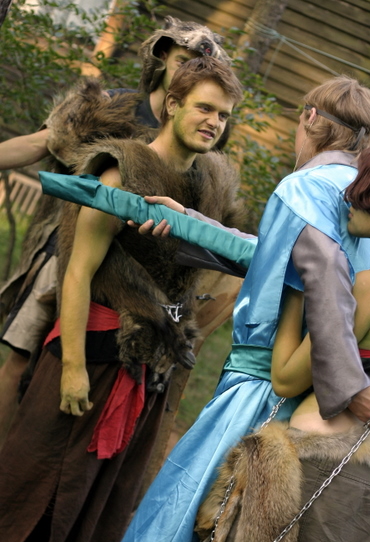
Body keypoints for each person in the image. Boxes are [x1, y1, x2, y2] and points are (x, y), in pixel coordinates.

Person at [73, 77, 370, 542]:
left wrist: (349, 383)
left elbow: (325, 281)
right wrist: (190, 223)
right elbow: (277, 258)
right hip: (309, 398)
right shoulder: (366, 196)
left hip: (263, 387)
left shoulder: (306, 187)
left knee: (189, 527)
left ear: (310, 117)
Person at [0, 56, 244, 542]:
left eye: (223, 114)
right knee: (42, 467)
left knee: (103, 487)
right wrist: (72, 366)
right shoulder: (120, 169)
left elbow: (227, 260)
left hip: (151, 359)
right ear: (173, 103)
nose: (213, 122)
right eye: (204, 107)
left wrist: (188, 226)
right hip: (94, 345)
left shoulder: (210, 180)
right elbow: (78, 271)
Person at [186, 146, 370, 542]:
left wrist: (300, 293)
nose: (349, 198)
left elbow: (286, 378)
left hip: (310, 465)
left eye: (363, 190)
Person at [0, 15, 231, 446]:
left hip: (133, 285)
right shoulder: (116, 106)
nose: (189, 71)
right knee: (22, 356)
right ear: (162, 58)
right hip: (69, 251)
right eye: (181, 60)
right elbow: (39, 142)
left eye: (200, 64)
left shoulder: (202, 132)